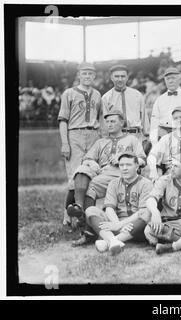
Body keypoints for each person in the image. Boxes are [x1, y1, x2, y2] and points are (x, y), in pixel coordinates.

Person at [67, 110, 146, 246]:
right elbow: (87, 159)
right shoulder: (101, 142)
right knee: (90, 184)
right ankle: (87, 228)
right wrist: (94, 164)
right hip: (104, 175)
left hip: (124, 174)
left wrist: (121, 159)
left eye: (113, 121)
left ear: (122, 123)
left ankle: (94, 231)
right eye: (107, 122)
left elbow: (142, 160)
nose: (109, 124)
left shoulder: (132, 139)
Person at [58, 62, 102, 226]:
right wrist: (65, 143)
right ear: (79, 75)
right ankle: (67, 215)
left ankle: (84, 215)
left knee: (91, 175)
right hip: (74, 134)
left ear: (94, 76)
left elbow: (100, 119)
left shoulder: (97, 94)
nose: (87, 76)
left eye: (90, 74)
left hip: (93, 134)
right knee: (74, 176)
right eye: (84, 73)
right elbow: (63, 120)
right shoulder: (68, 93)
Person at [84, 152, 153, 255]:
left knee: (147, 212)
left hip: (136, 227)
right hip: (117, 224)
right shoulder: (114, 183)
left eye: (128, 165)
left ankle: (108, 242)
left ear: (137, 166)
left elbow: (141, 212)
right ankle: (113, 241)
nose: (124, 168)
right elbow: (109, 208)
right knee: (90, 210)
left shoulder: (146, 184)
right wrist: (117, 225)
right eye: (121, 165)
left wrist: (119, 225)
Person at [149, 67, 181, 146]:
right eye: (168, 79)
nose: (170, 81)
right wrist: (154, 140)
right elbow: (154, 120)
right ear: (165, 81)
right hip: (164, 134)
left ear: (179, 79)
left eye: (173, 78)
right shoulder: (159, 99)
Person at [101, 64, 148, 139]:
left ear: (127, 77)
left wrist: (147, 136)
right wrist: (106, 139)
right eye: (116, 76)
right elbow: (104, 122)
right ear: (111, 78)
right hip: (116, 136)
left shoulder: (137, 95)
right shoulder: (106, 98)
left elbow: (144, 118)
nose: (120, 79)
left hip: (135, 136)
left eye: (123, 76)